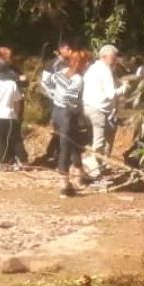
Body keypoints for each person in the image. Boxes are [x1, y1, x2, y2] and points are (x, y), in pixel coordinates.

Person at [42, 45, 86, 197]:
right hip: (68, 114)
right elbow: (70, 99)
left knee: (72, 143)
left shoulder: (61, 72)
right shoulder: (78, 79)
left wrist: (54, 95)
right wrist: (79, 107)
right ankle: (64, 184)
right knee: (65, 148)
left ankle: (80, 174)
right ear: (82, 64)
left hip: (56, 112)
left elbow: (46, 82)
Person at [82, 44, 122, 181]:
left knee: (105, 133)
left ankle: (99, 164)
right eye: (114, 57)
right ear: (107, 57)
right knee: (98, 141)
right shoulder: (105, 71)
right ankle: (93, 171)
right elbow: (111, 94)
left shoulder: (92, 68)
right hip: (98, 109)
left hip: (88, 107)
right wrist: (124, 89)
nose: (115, 60)